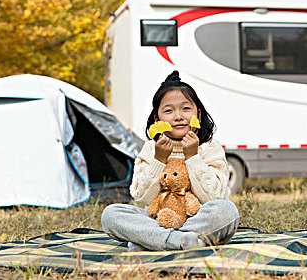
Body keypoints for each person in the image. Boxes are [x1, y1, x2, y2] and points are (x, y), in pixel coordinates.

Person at [101, 71, 239, 251]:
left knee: (226, 211)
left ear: (197, 113)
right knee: (110, 215)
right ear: (157, 119)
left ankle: (152, 240)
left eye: (185, 109)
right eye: (169, 110)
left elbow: (214, 197)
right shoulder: (151, 149)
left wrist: (193, 157)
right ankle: (182, 241)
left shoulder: (210, 148)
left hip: (198, 220)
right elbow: (141, 196)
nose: (178, 116)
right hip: (158, 219)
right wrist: (159, 160)